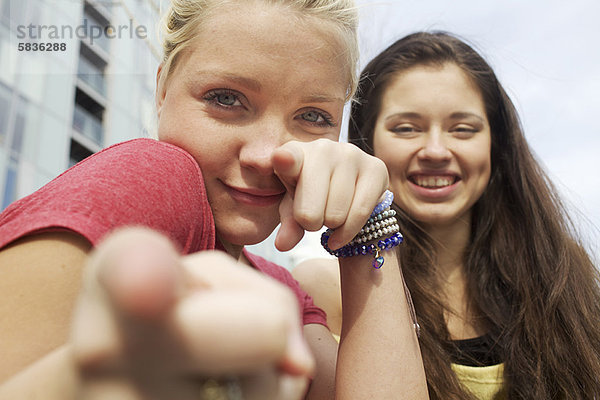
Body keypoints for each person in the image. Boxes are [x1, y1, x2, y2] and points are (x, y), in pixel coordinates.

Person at [0, 1, 428, 399]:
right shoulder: (158, 175)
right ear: (162, 89)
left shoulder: (283, 291)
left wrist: (367, 221)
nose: (265, 156)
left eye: (313, 116)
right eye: (226, 99)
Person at [293, 31, 600, 399]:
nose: (436, 150)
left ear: (496, 145)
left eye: (463, 129)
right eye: (406, 128)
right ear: (366, 143)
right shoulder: (328, 288)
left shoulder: (564, 275)